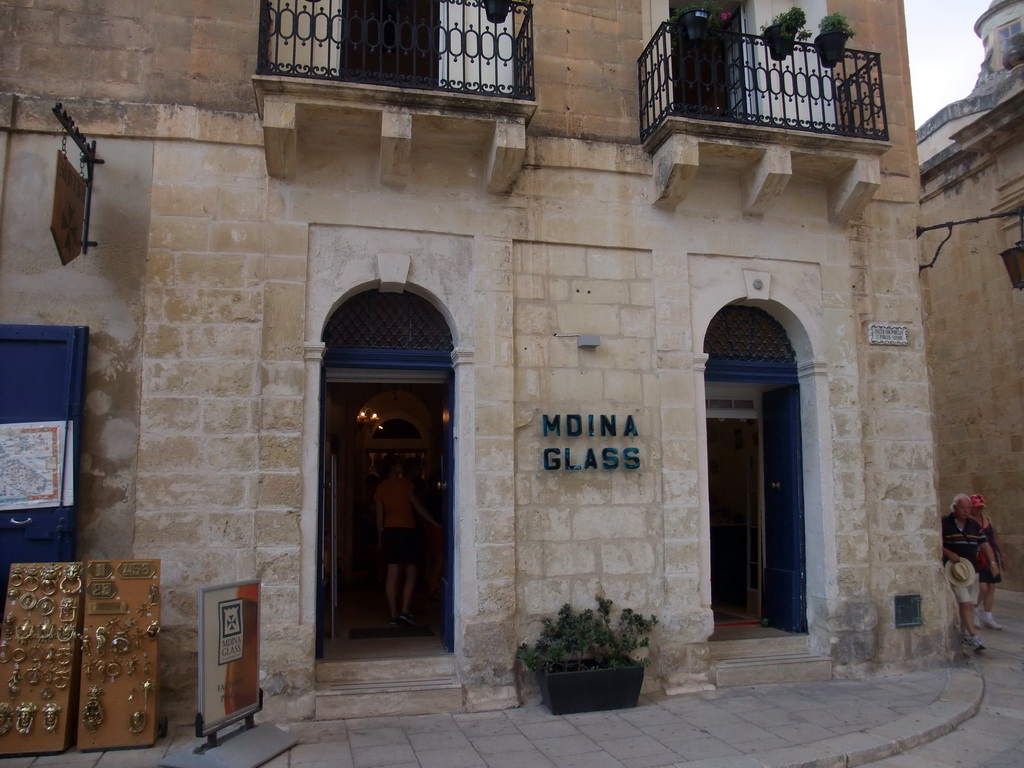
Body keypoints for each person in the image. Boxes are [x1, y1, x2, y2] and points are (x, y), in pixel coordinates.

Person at [374, 457, 440, 625]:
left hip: (390, 531)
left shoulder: (380, 488)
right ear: (395, 468)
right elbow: (418, 507)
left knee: (392, 573)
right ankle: (405, 610)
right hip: (407, 531)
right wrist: (435, 523)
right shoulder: (406, 485)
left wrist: (380, 537)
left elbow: (379, 517)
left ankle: (393, 613)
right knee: (411, 571)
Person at [941, 493, 999, 650]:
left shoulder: (973, 525)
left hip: (971, 570)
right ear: (954, 508)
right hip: (955, 571)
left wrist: (993, 562)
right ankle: (974, 636)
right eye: (963, 508)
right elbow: (935, 542)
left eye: (969, 508)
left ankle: (962, 632)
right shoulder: (944, 523)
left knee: (968, 604)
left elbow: (985, 544)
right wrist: (948, 553)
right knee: (965, 603)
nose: (966, 511)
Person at [969, 493, 1004, 630]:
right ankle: (974, 610)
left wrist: (1002, 554)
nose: (978, 509)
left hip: (990, 556)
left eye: (980, 507)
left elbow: (994, 537)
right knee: (982, 588)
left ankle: (988, 617)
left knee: (991, 587)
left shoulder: (986, 519)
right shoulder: (969, 521)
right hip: (978, 557)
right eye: (976, 507)